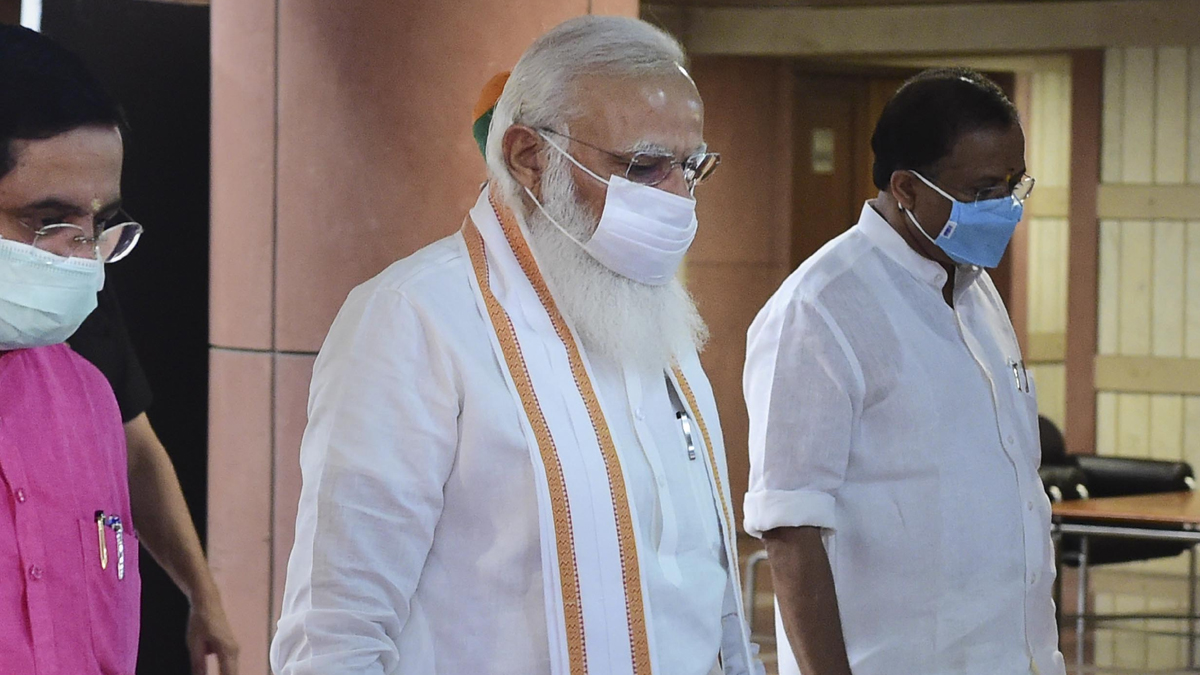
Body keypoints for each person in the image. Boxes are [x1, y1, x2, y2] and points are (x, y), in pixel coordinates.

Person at [271, 16, 760, 675]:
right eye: (643, 166)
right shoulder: (414, 320)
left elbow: (706, 586)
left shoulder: (657, 318)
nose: (677, 198)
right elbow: (333, 639)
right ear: (530, 156)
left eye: (691, 166)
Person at [743, 67, 1064, 675]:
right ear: (907, 189)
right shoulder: (821, 308)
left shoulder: (974, 291)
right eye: (980, 191)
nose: (1001, 209)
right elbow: (790, 529)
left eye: (1013, 188)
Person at [0, 24, 237, 675]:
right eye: (49, 222)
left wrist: (201, 591)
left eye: (100, 228)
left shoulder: (86, 393)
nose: (83, 263)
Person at [68, 283, 240, 675]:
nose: (83, 247)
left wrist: (202, 592)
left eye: (91, 233)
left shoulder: (78, 288)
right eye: (48, 220)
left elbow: (135, 448)